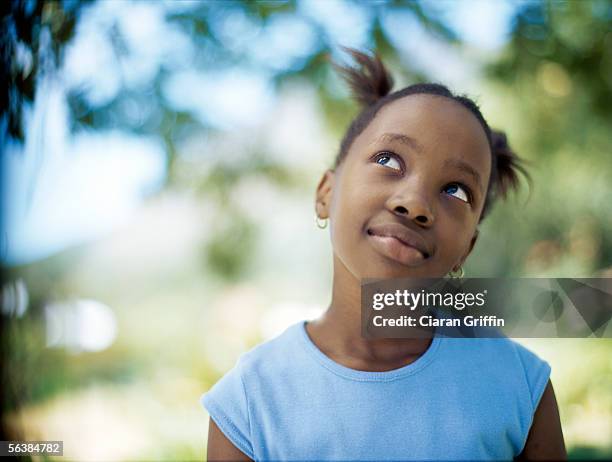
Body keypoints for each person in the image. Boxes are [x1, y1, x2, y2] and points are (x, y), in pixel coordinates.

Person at [201, 48, 566, 461]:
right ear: (326, 193)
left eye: (456, 190)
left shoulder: (520, 387)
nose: (415, 203)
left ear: (468, 247)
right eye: (388, 160)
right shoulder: (249, 403)